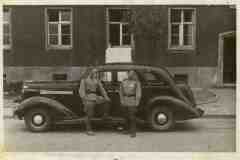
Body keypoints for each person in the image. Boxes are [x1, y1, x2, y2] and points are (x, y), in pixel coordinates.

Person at [79, 68, 111, 136]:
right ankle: (88, 130)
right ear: (91, 73)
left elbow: (102, 90)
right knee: (89, 114)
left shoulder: (97, 80)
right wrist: (84, 100)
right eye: (94, 73)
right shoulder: (84, 80)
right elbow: (81, 91)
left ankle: (104, 116)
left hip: (95, 96)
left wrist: (106, 97)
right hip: (88, 97)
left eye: (97, 73)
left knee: (106, 101)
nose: (96, 74)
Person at [119, 70, 141, 138]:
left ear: (134, 74)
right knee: (126, 117)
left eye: (132, 74)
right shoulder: (124, 81)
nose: (130, 75)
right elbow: (121, 91)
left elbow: (138, 92)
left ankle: (133, 132)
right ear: (127, 74)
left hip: (132, 101)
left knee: (132, 117)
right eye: (129, 74)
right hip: (125, 100)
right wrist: (122, 100)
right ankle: (126, 130)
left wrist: (137, 101)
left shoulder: (136, 82)